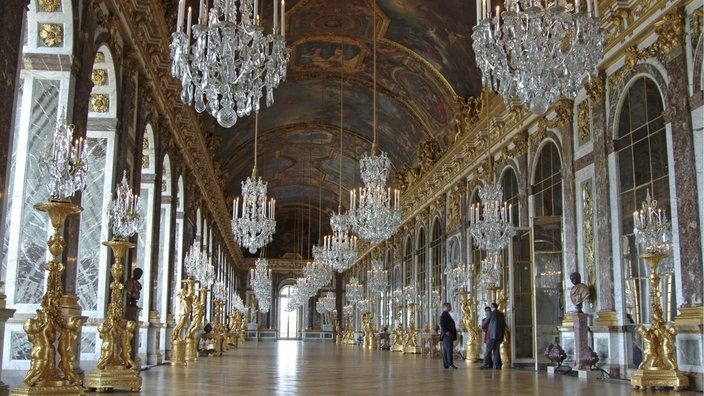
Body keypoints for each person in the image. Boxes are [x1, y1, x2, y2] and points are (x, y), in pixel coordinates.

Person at [480, 302, 506, 370]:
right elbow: (503, 326)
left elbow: (485, 323)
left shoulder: (490, 314)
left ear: (491, 307)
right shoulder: (501, 315)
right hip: (499, 335)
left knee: (488, 350)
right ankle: (497, 365)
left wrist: (482, 327)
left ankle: (485, 364)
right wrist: (502, 336)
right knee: (496, 350)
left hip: (491, 335)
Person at [439, 302, 458, 369]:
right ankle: (450, 364)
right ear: (446, 306)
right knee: (448, 349)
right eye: (449, 306)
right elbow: (442, 323)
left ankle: (446, 364)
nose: (451, 308)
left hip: (448, 334)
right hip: (447, 335)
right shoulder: (444, 314)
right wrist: (446, 331)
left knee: (447, 350)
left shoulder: (447, 314)